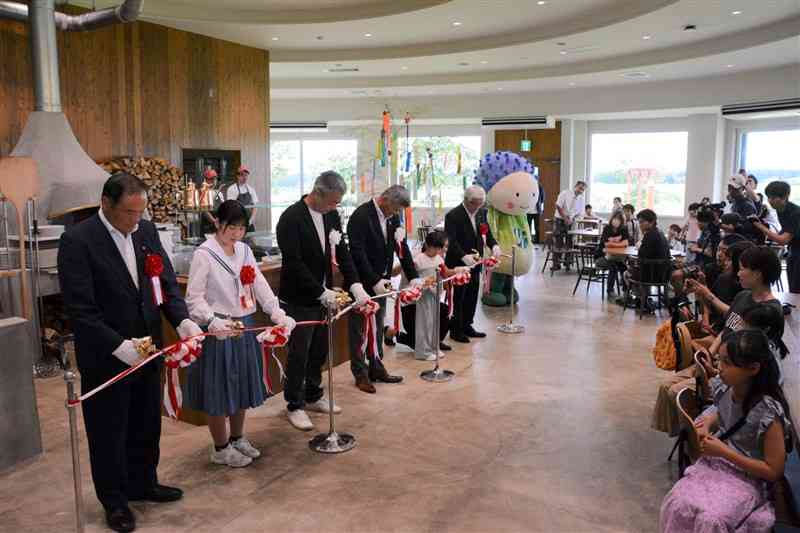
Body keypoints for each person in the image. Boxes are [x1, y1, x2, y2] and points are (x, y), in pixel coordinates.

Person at [57, 173, 203, 533]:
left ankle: (143, 483)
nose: (135, 220)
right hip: (107, 355)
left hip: (148, 347)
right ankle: (115, 500)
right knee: (109, 429)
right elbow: (80, 309)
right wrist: (117, 346)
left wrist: (182, 320)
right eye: (129, 213)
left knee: (144, 421)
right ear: (106, 203)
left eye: (141, 212)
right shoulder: (78, 240)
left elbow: (165, 282)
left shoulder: (147, 231)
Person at [184, 200, 296, 468]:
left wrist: (277, 314)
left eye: (241, 228)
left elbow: (260, 286)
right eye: (230, 227)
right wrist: (211, 320)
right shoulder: (205, 253)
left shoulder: (244, 250)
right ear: (218, 223)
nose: (235, 234)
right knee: (220, 388)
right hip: (218, 330)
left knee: (242, 383)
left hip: (243, 325)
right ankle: (220, 448)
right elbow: (193, 298)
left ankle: (237, 437)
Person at [660, 328, 794, 532]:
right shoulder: (726, 389)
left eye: (727, 363)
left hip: (749, 479)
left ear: (753, 368)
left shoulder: (768, 412)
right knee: (678, 501)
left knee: (712, 519)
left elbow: (773, 471)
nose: (719, 368)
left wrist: (725, 452)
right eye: (719, 360)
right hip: (718, 465)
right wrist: (706, 423)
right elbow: (720, 413)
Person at [276, 171, 369, 431]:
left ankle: (313, 393)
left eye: (337, 202)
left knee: (320, 347)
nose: (334, 206)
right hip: (298, 297)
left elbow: (343, 252)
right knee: (299, 352)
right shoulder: (290, 218)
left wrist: (356, 284)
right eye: (332, 201)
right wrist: (319, 291)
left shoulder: (331, 215)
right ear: (317, 193)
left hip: (325, 295)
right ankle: (294, 404)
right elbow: (293, 264)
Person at [347, 185, 421, 393]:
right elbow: (357, 254)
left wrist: (413, 276)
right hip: (361, 284)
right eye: (396, 208)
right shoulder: (361, 216)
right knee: (359, 330)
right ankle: (360, 373)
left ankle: (376, 366)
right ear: (385, 199)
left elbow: (402, 248)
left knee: (378, 326)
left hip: (383, 283)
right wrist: (373, 281)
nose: (396, 213)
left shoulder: (393, 218)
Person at [397, 231, 466, 360]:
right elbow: (408, 281)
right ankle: (423, 351)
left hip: (434, 294)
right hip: (421, 298)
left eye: (443, 247)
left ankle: (434, 346)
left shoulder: (439, 258)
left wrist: (457, 270)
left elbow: (444, 272)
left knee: (435, 322)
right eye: (439, 247)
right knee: (424, 323)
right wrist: (422, 285)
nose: (441, 250)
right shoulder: (418, 260)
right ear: (428, 245)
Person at [444, 185, 501, 343]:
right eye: (475, 203)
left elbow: (486, 232)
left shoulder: (482, 213)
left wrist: (494, 245)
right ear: (466, 200)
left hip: (476, 261)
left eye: (481, 203)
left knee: (472, 294)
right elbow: (451, 241)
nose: (478, 206)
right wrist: (464, 257)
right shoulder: (453, 215)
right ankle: (456, 329)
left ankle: (468, 325)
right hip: (458, 263)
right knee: (459, 296)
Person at [753, 181, 800, 293]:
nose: (771, 201)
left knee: (797, 290)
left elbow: (783, 240)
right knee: (793, 290)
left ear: (785, 196)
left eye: (774, 197)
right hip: (793, 250)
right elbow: (784, 232)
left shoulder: (795, 213)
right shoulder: (781, 210)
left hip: (797, 252)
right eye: (769, 197)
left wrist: (761, 227)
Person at [551, 180, 586, 271]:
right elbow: (558, 206)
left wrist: (573, 219)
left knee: (570, 241)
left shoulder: (581, 199)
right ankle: (556, 264)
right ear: (575, 186)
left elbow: (579, 212)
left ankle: (568, 263)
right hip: (559, 218)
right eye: (580, 188)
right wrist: (565, 218)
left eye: (583, 190)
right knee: (558, 241)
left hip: (570, 221)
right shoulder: (565, 193)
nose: (580, 191)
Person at [629, 209, 670, 284]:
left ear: (651, 222)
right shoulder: (659, 232)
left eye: (642, 222)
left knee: (626, 273)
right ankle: (643, 294)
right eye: (639, 222)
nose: (640, 225)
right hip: (664, 273)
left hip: (652, 275)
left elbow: (641, 256)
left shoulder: (649, 235)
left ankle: (641, 295)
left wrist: (639, 246)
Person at [595, 211, 629, 297]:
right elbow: (606, 244)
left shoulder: (624, 229)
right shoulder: (607, 228)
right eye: (615, 219)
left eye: (619, 220)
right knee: (613, 267)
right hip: (602, 257)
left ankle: (626, 290)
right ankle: (610, 291)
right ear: (612, 219)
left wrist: (612, 242)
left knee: (624, 267)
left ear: (622, 221)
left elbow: (625, 243)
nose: (616, 221)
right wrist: (617, 242)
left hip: (617, 257)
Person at [226, 165, 259, 232]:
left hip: (249, 224)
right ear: (237, 176)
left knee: (250, 242)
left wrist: (250, 221)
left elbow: (255, 206)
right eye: (242, 175)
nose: (244, 177)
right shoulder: (232, 189)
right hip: (237, 225)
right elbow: (231, 208)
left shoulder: (251, 189)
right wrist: (237, 223)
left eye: (246, 175)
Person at [727, 174, 760, 241]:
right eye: (729, 188)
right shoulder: (735, 203)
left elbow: (746, 230)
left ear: (742, 188)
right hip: (735, 240)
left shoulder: (747, 205)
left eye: (734, 188)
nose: (731, 191)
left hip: (744, 243)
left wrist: (720, 224)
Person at [200, 168, 226, 236]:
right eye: (211, 179)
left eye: (215, 179)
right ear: (206, 180)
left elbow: (223, 207)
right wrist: (214, 221)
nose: (214, 181)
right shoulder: (204, 192)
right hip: (208, 226)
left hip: (219, 225)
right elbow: (204, 210)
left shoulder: (218, 192)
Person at [526, 181, 545, 246]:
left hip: (537, 211)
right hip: (528, 211)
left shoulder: (539, 186)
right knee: (528, 227)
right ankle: (529, 240)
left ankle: (537, 240)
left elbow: (542, 197)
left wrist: (539, 204)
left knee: (537, 227)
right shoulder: (527, 187)